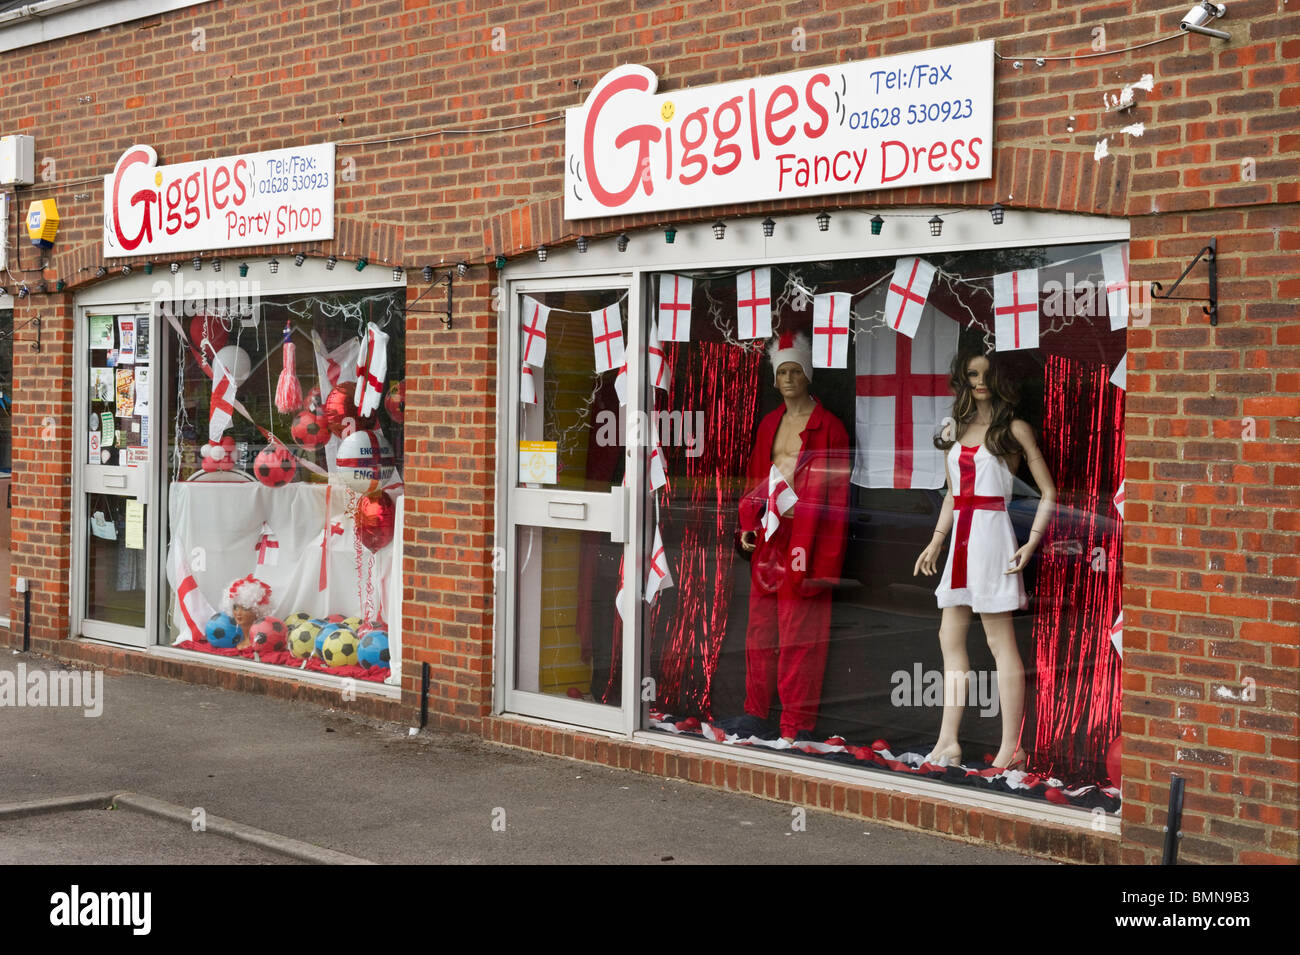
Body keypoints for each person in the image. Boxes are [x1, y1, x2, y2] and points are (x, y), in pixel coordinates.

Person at [913, 350, 1056, 769]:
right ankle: (947, 742)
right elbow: (953, 493)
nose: (979, 381)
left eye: (986, 374)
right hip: (960, 537)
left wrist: (1030, 543)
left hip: (993, 537)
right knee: (948, 639)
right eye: (972, 374)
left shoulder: (1014, 429)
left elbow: (1047, 492)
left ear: (1001, 379)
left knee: (999, 641)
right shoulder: (953, 429)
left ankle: (1012, 749)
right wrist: (937, 541)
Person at [737, 332, 850, 743]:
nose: (788, 379)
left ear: (808, 376)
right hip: (770, 535)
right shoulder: (770, 424)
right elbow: (756, 482)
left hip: (808, 539)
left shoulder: (829, 428)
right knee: (760, 632)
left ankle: (795, 724)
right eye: (781, 372)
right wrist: (747, 524)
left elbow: (837, 503)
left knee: (801, 638)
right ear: (774, 379)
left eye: (795, 371)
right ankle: (755, 712)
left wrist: (823, 562)